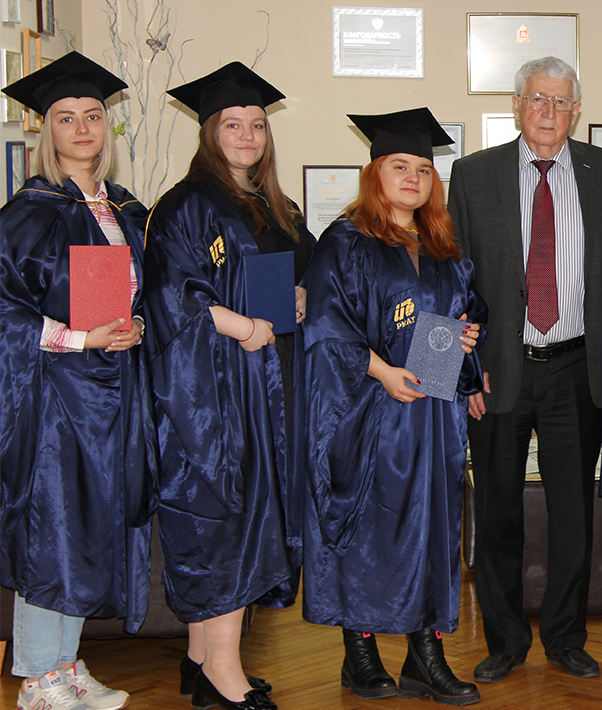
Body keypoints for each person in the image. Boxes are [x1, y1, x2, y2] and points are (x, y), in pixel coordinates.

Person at [447, 56, 602, 683]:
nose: (548, 112)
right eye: (536, 99)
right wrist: (454, 376)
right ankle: (503, 640)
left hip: (578, 367)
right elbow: (450, 276)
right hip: (499, 371)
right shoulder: (474, 175)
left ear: (576, 111)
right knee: (497, 511)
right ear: (517, 106)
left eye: (560, 101)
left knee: (572, 515)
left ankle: (565, 636)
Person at [143, 63, 315, 710]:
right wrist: (242, 325)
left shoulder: (276, 206)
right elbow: (169, 296)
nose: (248, 136)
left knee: (245, 516)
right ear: (210, 132)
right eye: (233, 125)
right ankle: (223, 674)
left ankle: (199, 662)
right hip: (213, 390)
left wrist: (302, 294)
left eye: (258, 125)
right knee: (223, 521)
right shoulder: (187, 204)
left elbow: (310, 269)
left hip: (266, 385)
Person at [301, 107, 485, 706]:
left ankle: (425, 656)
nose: (413, 178)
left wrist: (467, 339)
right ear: (375, 172)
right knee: (372, 528)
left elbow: (466, 312)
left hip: (432, 415)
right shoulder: (346, 241)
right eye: (400, 166)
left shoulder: (444, 248)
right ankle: (360, 653)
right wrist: (381, 371)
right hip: (371, 411)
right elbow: (326, 324)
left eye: (424, 170)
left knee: (432, 529)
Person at [0, 52, 153, 710]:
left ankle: (65, 664)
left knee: (88, 528)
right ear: (48, 131)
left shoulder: (125, 209)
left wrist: (135, 324)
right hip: (56, 396)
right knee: (52, 529)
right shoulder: (30, 212)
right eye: (66, 118)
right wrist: (80, 338)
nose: (83, 128)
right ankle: (36, 678)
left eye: (93, 116)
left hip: (113, 395)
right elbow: (5, 312)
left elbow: (141, 293)